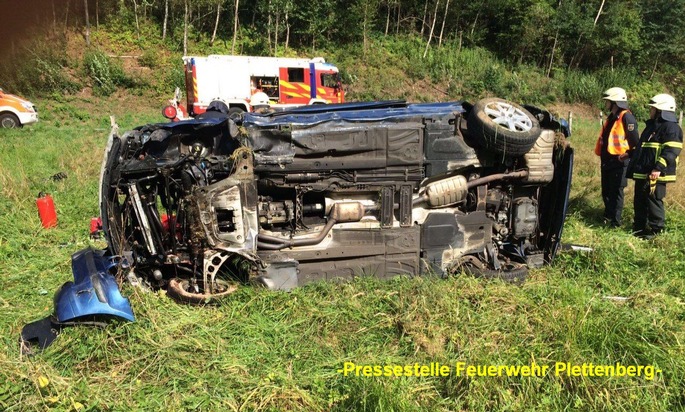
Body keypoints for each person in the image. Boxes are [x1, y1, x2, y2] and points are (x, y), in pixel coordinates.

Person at [627, 93, 683, 239]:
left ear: (661, 110)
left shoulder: (671, 128)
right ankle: (639, 229)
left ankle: (656, 232)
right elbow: (644, 149)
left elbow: (671, 151)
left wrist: (658, 168)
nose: (650, 111)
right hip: (644, 172)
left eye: (652, 109)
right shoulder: (651, 126)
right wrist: (629, 154)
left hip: (656, 173)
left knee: (654, 201)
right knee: (639, 201)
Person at [594, 87, 640, 227]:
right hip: (607, 160)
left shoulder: (627, 117)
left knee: (616, 192)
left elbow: (635, 143)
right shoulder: (612, 117)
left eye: (608, 101)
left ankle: (615, 222)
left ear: (615, 102)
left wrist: (628, 155)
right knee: (606, 190)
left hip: (620, 161)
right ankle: (607, 216)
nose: (606, 103)